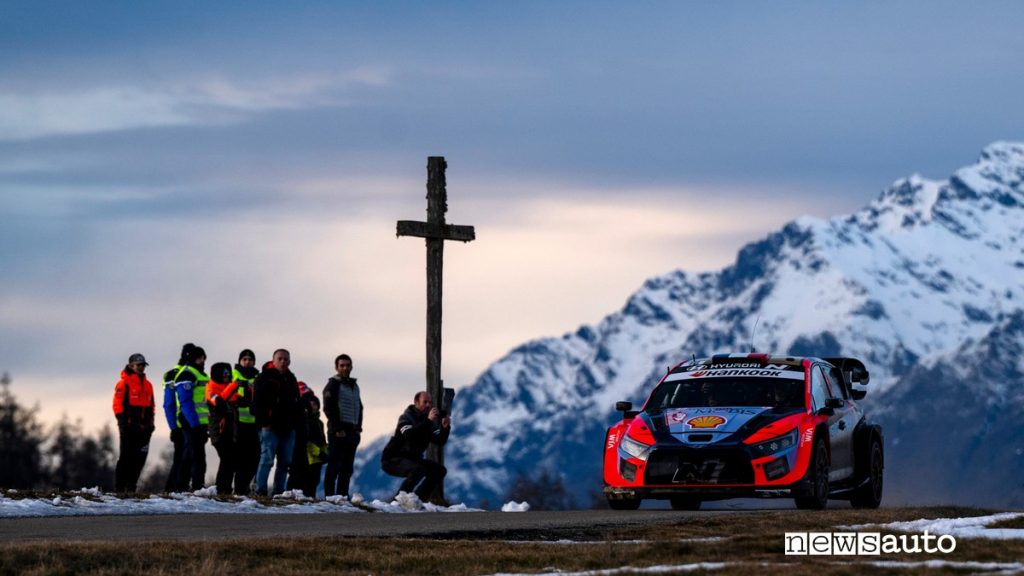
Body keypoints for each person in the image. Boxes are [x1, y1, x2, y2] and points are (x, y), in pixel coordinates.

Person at [380, 391, 451, 502]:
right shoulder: (405, 418)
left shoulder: (428, 421)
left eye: (430, 402)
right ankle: (397, 502)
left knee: (439, 471)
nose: (428, 405)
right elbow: (410, 436)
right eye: (425, 402)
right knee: (418, 470)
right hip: (393, 459)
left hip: (413, 460)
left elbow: (439, 441)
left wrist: (445, 428)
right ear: (416, 403)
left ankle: (417, 500)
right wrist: (428, 421)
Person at [252, 348, 300, 496]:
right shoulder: (264, 378)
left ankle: (279, 492)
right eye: (280, 359)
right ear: (273, 361)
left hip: (288, 427)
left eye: (286, 359)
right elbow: (256, 403)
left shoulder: (291, 379)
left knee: (285, 462)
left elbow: (296, 402)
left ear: (290, 362)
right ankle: (261, 491)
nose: (283, 362)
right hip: (270, 426)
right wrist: (264, 422)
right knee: (267, 460)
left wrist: (294, 423)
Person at [113, 353, 155, 492]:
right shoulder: (123, 383)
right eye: (138, 365)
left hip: (144, 430)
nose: (141, 367)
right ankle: (119, 489)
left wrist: (151, 425)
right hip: (129, 428)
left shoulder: (149, 385)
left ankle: (131, 488)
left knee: (140, 460)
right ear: (131, 366)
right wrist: (123, 424)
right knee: (125, 458)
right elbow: (117, 404)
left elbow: (152, 406)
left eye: (143, 365)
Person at [169, 343, 209, 491]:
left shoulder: (201, 374)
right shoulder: (187, 374)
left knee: (190, 455)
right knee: (197, 457)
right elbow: (185, 402)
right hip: (191, 421)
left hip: (199, 421)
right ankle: (196, 487)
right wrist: (195, 424)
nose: (203, 361)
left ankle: (183, 486)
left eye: (203, 357)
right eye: (200, 358)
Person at [322, 354, 363, 498]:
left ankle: (342, 496)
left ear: (351, 367)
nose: (345, 368)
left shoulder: (354, 386)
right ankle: (329, 496)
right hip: (338, 432)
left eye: (347, 365)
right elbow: (328, 407)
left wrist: (358, 429)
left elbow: (360, 406)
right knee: (334, 465)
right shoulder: (333, 384)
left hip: (352, 432)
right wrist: (338, 429)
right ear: (336, 367)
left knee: (347, 468)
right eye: (342, 365)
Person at [288, 381, 327, 497]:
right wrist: (319, 452)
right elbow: (305, 440)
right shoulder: (303, 421)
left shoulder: (319, 423)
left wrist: (324, 452)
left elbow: (321, 439)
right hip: (305, 457)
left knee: (313, 482)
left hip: (316, 459)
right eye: (310, 404)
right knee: (299, 481)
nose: (312, 406)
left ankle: (310, 502)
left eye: (315, 404)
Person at [206, 362, 238, 495]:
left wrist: (248, 389)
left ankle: (226, 489)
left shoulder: (228, 387)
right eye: (224, 374)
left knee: (231, 460)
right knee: (226, 459)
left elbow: (243, 401)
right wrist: (233, 386)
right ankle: (220, 488)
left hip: (230, 431)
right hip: (218, 431)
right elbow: (219, 402)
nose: (227, 376)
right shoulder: (210, 389)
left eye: (228, 374)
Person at [231, 349, 260, 495]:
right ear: (240, 361)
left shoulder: (258, 377)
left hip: (254, 423)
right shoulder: (233, 375)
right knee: (241, 459)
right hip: (238, 422)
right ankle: (239, 490)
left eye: (250, 359)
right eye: (245, 359)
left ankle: (245, 486)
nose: (247, 362)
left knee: (255, 458)